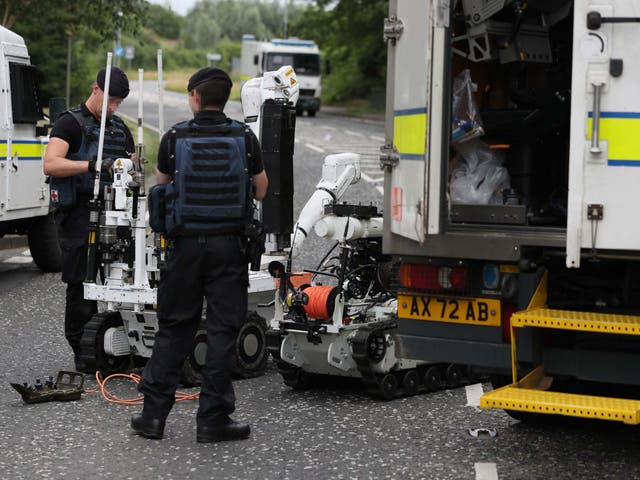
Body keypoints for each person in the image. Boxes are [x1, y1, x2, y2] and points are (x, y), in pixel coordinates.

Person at [131, 67, 268, 442]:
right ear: (226, 100)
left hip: (185, 248)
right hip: (229, 248)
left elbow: (161, 189)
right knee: (223, 331)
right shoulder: (245, 136)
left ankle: (153, 417)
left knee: (175, 328)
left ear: (194, 97)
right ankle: (212, 419)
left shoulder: (174, 137)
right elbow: (260, 190)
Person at [43, 67, 134, 372]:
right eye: (110, 100)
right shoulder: (70, 123)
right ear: (95, 88)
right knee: (81, 285)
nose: (113, 108)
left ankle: (118, 346)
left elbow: (131, 169)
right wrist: (93, 166)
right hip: (79, 213)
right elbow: (51, 164)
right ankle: (83, 350)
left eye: (118, 103)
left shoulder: (120, 129)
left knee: (121, 281)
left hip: (116, 213)